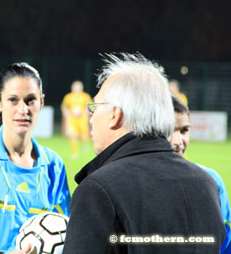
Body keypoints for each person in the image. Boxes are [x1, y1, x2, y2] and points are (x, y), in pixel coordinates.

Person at [63, 53, 225, 253]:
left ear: (115, 115)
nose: (91, 117)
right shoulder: (206, 184)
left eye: (95, 107)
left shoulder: (98, 190)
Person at [0, 62, 71, 254]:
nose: (23, 110)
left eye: (30, 100)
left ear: (42, 102)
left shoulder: (53, 166)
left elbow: (65, 233)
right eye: (13, 100)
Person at [170, 94, 231, 253]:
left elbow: (225, 243)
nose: (178, 141)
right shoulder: (132, 182)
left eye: (184, 130)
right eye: (168, 131)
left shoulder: (212, 180)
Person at [61, 80, 92, 158]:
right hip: (72, 119)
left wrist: (84, 112)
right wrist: (67, 114)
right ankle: (74, 152)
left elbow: (91, 107)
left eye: (78, 86)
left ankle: (85, 145)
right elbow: (64, 107)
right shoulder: (68, 96)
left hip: (82, 119)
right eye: (75, 86)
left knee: (84, 135)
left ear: (81, 87)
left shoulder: (85, 96)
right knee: (72, 135)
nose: (76, 88)